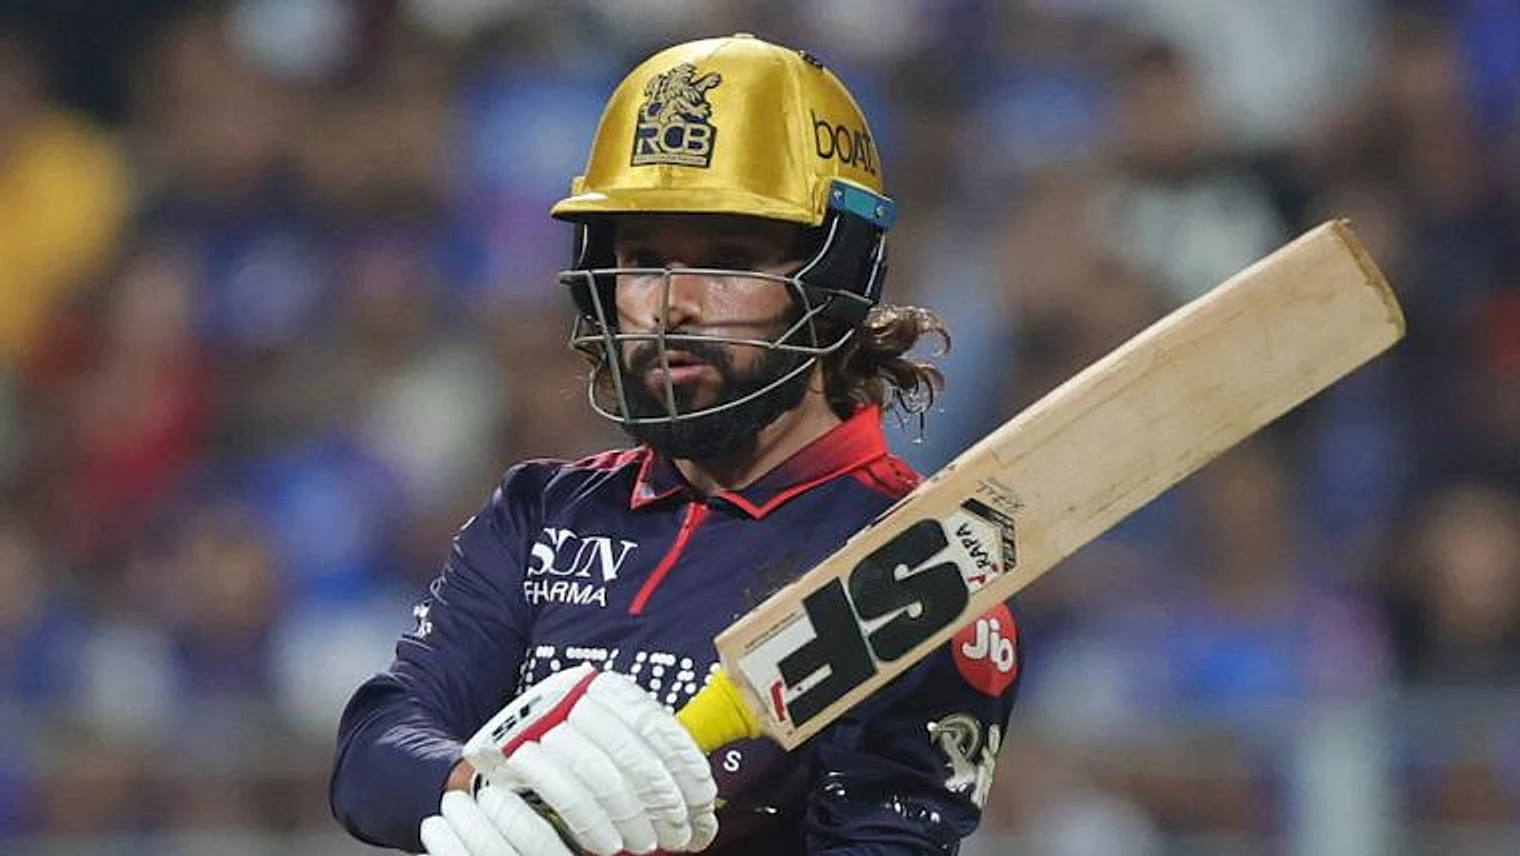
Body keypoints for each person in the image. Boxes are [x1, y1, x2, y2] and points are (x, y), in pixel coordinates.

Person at [330, 33, 1022, 855]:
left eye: (728, 260)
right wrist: (484, 789)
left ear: (833, 283)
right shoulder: (540, 513)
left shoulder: (917, 560)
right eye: (643, 259)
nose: (671, 304)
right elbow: (375, 749)